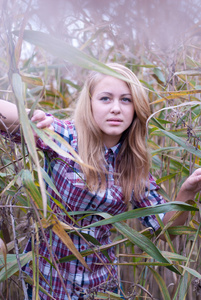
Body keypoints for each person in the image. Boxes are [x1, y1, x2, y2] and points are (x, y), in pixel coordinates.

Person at [1, 63, 201, 300]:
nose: (116, 108)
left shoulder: (134, 166)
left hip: (102, 287)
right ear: (90, 103)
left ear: (136, 107)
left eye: (126, 100)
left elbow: (165, 228)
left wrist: (187, 191)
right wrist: (30, 117)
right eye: (105, 99)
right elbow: (14, 116)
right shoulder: (67, 137)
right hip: (50, 282)